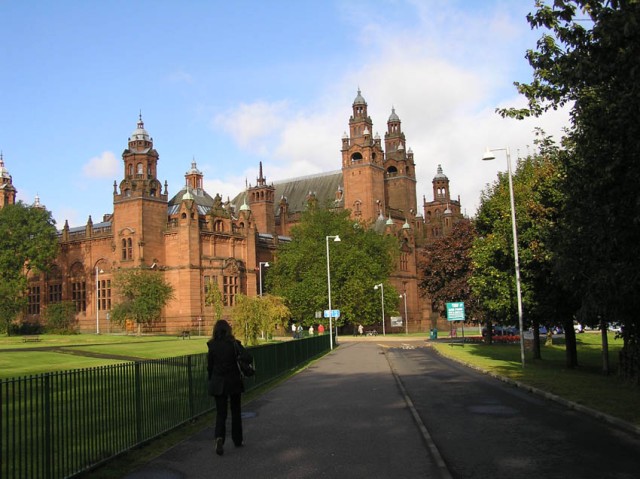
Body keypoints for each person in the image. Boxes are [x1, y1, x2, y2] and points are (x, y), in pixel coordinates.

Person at [207, 319, 251, 456]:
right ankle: (237, 440)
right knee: (236, 412)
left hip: (218, 382)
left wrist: (211, 379)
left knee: (221, 413)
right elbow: (248, 357)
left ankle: (219, 437)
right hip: (233, 382)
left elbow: (210, 366)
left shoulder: (212, 345)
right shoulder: (233, 344)